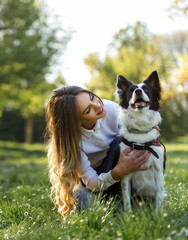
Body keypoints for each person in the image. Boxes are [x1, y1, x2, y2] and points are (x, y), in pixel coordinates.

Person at [45, 86, 151, 217]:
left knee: (127, 140)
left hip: (125, 171)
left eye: (92, 97)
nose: (97, 105)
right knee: (79, 197)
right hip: (97, 182)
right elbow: (92, 181)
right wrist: (117, 172)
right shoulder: (73, 142)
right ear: (77, 121)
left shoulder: (111, 109)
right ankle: (111, 205)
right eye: (88, 110)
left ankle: (132, 199)